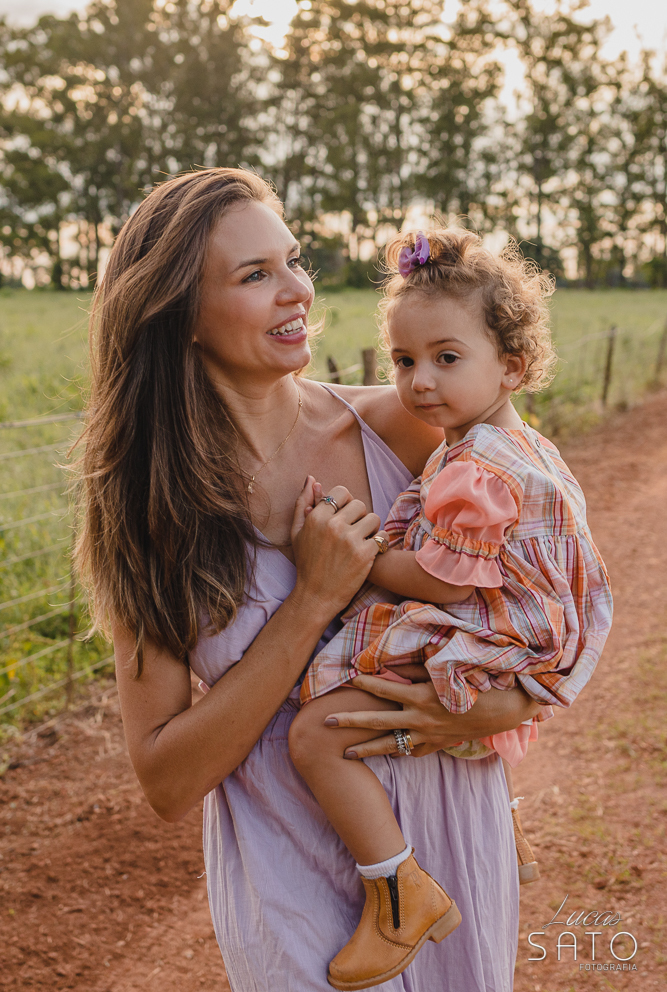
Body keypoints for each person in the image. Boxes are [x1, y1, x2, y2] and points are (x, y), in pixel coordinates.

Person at [75, 167, 544, 992]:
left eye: (292, 259)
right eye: (255, 275)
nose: (296, 290)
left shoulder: (409, 426)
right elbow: (167, 779)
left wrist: (513, 700)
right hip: (286, 878)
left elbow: (549, 573)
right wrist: (316, 598)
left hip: (450, 836)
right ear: (180, 314)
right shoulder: (152, 512)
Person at [289, 228, 613, 989]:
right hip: (525, 628)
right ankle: (501, 822)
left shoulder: (473, 467)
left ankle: (398, 891)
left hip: (496, 630)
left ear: (511, 365)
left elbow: (443, 582)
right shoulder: (519, 443)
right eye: (403, 361)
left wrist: (356, 559)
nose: (419, 381)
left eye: (445, 357)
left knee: (314, 734)